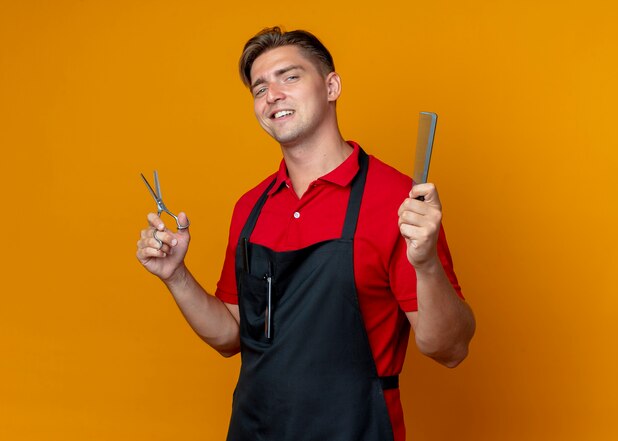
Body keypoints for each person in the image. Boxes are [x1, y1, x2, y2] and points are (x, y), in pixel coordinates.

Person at [136, 26, 475, 441]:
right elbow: (230, 335)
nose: (272, 94)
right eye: (260, 88)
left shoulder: (398, 201)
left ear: (331, 86)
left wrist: (425, 266)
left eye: (289, 77)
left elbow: (450, 348)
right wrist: (175, 275)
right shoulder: (252, 207)